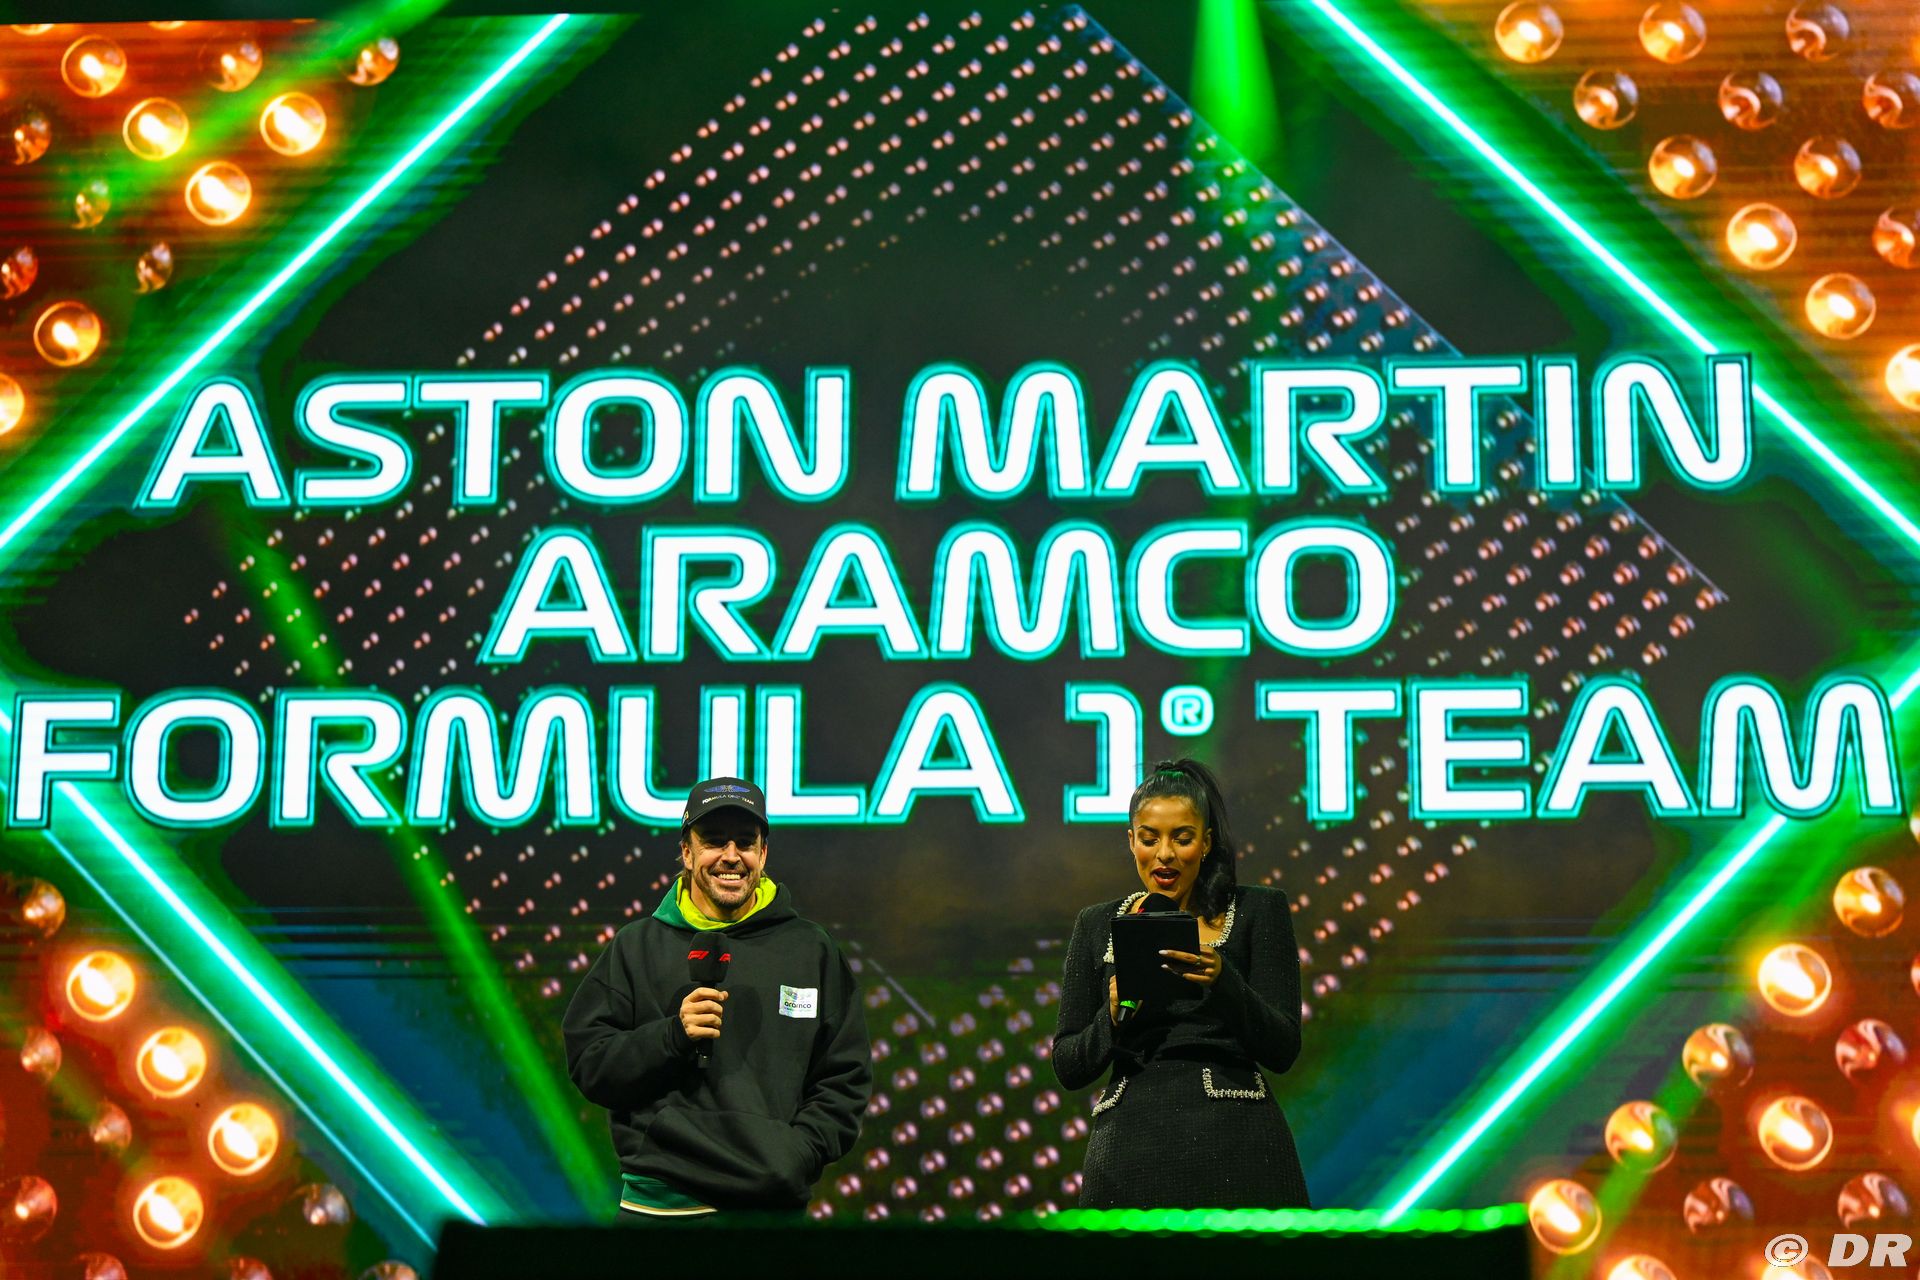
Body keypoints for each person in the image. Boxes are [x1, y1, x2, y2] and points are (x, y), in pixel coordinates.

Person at [563, 777, 871, 1219]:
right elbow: (590, 1064)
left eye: (745, 842)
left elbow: (845, 1077)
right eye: (712, 841)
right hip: (661, 1209)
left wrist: (795, 1154)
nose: (731, 855)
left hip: (769, 1211)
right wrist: (672, 1037)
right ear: (687, 853)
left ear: (763, 854)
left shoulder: (810, 949)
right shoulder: (637, 946)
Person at [1050, 758, 1309, 1208]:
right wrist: (1110, 1017)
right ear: (1131, 841)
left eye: (1182, 838)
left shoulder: (1258, 910)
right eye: (1149, 839)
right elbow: (1068, 1065)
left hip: (1237, 1140)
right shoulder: (1096, 924)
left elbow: (1283, 1048)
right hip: (1128, 1149)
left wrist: (1223, 981)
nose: (1164, 854)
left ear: (1206, 843)